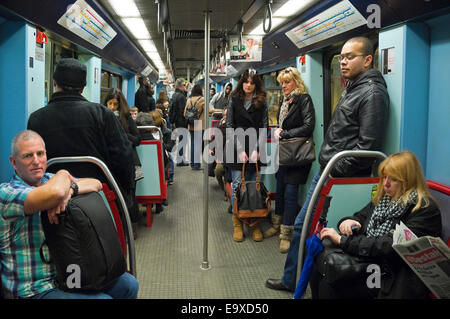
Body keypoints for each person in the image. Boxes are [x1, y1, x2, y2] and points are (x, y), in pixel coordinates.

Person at [266, 36, 390, 292]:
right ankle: (296, 279)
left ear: (368, 60)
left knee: (303, 225)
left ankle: (294, 281)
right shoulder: (353, 88)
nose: (343, 62)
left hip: (339, 176)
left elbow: (367, 147)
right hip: (329, 172)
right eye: (341, 57)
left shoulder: (372, 93)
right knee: (306, 227)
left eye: (350, 57)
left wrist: (335, 173)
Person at [0, 130, 139, 299]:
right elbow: (56, 192)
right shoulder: (7, 194)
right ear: (14, 162)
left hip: (65, 275)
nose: (36, 161)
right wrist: (63, 174)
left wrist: (71, 189)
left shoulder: (50, 179)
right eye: (28, 156)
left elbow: (95, 184)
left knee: (128, 285)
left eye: (40, 154)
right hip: (33, 289)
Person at [27, 58, 137, 237]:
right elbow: (123, 157)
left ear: (54, 84)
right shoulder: (102, 114)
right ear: (83, 88)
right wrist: (126, 194)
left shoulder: (36, 119)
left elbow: (33, 164)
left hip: (53, 201)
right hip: (99, 197)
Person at [310, 151, 442, 299]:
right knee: (322, 263)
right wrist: (349, 221)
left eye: (393, 179)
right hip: (375, 261)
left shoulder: (423, 209)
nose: (385, 184)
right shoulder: (386, 199)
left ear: (409, 180)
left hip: (393, 274)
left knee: (332, 284)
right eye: (384, 177)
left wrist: (344, 241)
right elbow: (361, 216)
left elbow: (387, 246)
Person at [265, 67, 315, 253]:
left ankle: (286, 234)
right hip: (285, 153)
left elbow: (308, 126)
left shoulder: (303, 100)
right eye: (282, 83)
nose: (283, 86)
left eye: (287, 82)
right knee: (279, 188)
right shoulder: (284, 101)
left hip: (298, 155)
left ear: (296, 82)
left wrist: (284, 133)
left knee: (291, 193)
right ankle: (277, 223)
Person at [226, 68, 268, 242]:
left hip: (256, 148)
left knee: (254, 186)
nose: (248, 86)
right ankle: (238, 223)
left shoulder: (262, 102)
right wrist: (240, 150)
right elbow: (229, 125)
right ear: (241, 83)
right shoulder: (234, 100)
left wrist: (257, 149)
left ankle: (255, 223)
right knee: (237, 186)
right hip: (237, 147)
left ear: (256, 85)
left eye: (252, 83)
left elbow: (265, 127)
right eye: (246, 82)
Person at [104, 88, 142, 237]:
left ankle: (131, 230)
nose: (112, 108)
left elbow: (137, 139)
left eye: (115, 104)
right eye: (110, 104)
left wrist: (120, 134)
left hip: (129, 162)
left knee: (130, 195)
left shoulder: (126, 117)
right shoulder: (102, 117)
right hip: (110, 163)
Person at [184, 84, 205, 170]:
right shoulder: (202, 99)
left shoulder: (189, 100)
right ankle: (196, 164)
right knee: (198, 145)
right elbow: (209, 110)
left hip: (191, 124)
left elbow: (184, 113)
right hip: (199, 124)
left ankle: (192, 163)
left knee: (192, 144)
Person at [169, 78, 188, 166]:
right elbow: (183, 111)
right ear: (180, 86)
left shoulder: (174, 95)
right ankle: (180, 160)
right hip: (181, 121)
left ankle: (179, 159)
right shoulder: (181, 97)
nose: (185, 86)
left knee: (180, 140)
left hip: (176, 121)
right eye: (184, 85)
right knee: (182, 141)